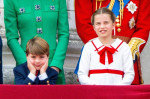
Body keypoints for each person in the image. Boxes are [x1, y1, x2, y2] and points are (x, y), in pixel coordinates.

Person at [75, 0, 150, 84]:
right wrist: (99, 49)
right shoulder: (90, 48)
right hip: (97, 60)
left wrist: (125, 54)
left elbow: (143, 28)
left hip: (126, 56)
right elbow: (83, 25)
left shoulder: (124, 50)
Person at [4, 0, 69, 84]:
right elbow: (11, 37)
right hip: (25, 71)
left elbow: (64, 34)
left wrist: (56, 65)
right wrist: (26, 65)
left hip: (53, 66)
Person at [78, 8, 134, 85]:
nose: (102, 26)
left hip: (117, 94)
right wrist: (94, 87)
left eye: (106, 23)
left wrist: (118, 89)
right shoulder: (89, 47)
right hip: (94, 93)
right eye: (98, 23)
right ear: (94, 27)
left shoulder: (124, 47)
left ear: (113, 25)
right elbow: (82, 74)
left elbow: (129, 74)